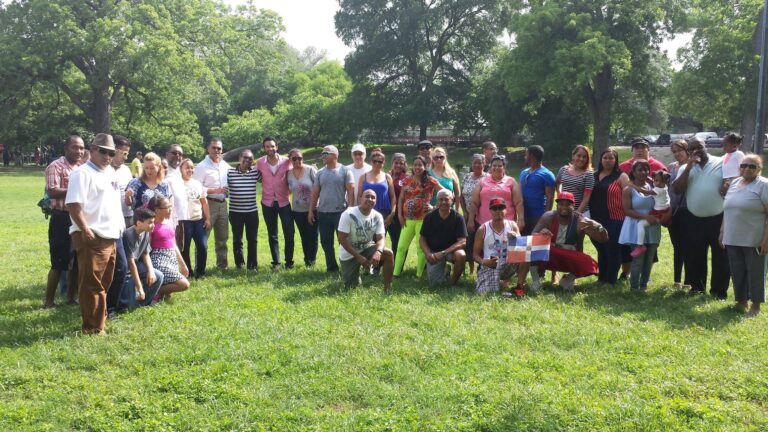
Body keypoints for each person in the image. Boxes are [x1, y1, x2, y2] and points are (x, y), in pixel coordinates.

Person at [65, 133, 123, 335]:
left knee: (104, 282)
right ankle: (92, 328)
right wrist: (85, 229)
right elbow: (73, 204)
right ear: (93, 150)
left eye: (111, 153)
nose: (107, 156)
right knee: (92, 284)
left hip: (111, 235)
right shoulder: (82, 173)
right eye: (103, 152)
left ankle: (99, 321)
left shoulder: (110, 173)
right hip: (92, 235)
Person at [673, 138, 730, 298]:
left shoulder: (721, 162)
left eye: (699, 147)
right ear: (688, 152)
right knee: (695, 255)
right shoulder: (685, 167)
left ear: (706, 146)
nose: (696, 151)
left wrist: (727, 184)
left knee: (721, 256)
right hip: (694, 218)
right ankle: (697, 287)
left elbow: (731, 181)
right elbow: (677, 189)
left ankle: (719, 291)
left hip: (719, 217)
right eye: (691, 149)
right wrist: (689, 166)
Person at [519, 192, 607, 292]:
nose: (564, 207)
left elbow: (603, 239)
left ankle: (567, 279)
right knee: (530, 246)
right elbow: (533, 234)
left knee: (590, 264)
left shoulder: (580, 220)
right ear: (557, 205)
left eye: (567, 204)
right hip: (550, 254)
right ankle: (536, 281)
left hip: (570, 256)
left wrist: (599, 227)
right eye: (561, 204)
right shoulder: (548, 216)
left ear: (573, 205)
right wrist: (541, 234)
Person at [721, 154, 768, 317]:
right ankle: (741, 302)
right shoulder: (734, 182)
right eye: (744, 165)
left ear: (759, 170)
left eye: (752, 166)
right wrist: (722, 232)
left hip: (754, 237)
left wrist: (766, 239)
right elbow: (728, 209)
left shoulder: (764, 185)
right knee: (737, 270)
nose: (747, 169)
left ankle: (755, 306)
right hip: (733, 236)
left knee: (755, 272)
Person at [43, 135, 84, 308]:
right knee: (59, 261)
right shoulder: (56, 166)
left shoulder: (82, 167)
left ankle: (70, 297)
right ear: (66, 148)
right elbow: (52, 191)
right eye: (75, 147)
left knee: (76, 259)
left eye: (81, 148)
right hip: (61, 218)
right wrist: (75, 189)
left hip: (78, 217)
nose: (79, 151)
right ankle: (49, 301)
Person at [394, 155, 443, 277]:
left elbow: (445, 193)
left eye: (420, 165)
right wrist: (400, 215)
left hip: (423, 220)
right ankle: (395, 273)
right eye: (415, 165)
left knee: (420, 248)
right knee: (401, 247)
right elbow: (400, 198)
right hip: (408, 220)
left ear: (425, 166)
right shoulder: (407, 180)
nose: (417, 167)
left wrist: (434, 207)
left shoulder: (430, 181)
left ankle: (419, 275)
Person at [309, 145, 355, 272]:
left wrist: (350, 210)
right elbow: (315, 193)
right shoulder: (320, 173)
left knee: (343, 243)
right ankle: (332, 267)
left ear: (335, 155)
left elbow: (351, 191)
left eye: (326, 153)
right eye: (322, 153)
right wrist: (311, 211)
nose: (323, 156)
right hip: (323, 213)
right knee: (326, 242)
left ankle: (346, 266)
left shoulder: (345, 171)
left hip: (341, 213)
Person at [617, 160, 662, 291]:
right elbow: (627, 210)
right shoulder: (628, 189)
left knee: (649, 260)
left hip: (652, 227)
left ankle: (644, 286)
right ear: (634, 172)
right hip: (635, 227)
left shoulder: (654, 188)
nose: (643, 172)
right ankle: (634, 287)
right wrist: (645, 217)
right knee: (638, 260)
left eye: (646, 169)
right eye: (640, 170)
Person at [337, 189, 394, 290]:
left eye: (373, 197)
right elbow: (342, 238)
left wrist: (379, 251)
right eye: (367, 196)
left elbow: (381, 238)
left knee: (388, 253)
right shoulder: (348, 214)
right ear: (360, 199)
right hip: (349, 253)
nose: (370, 199)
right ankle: (356, 274)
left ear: (376, 202)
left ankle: (388, 288)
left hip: (367, 248)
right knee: (350, 288)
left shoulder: (378, 216)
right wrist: (358, 257)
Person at [590, 148, 632, 284]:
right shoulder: (593, 175)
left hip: (615, 218)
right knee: (601, 248)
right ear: (601, 160)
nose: (608, 161)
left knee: (612, 249)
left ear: (616, 160)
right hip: (596, 218)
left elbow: (629, 196)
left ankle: (611, 280)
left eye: (611, 158)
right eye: (605, 158)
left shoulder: (621, 176)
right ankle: (602, 277)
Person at [253, 137, 294, 270]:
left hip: (284, 202)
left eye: (272, 146)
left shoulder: (287, 162)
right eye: (267, 147)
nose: (270, 149)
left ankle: (289, 262)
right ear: (264, 148)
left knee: (289, 232)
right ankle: (276, 262)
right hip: (267, 203)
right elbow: (252, 172)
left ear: (277, 146)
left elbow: (299, 166)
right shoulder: (259, 162)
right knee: (272, 233)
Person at [105, 136, 133, 317]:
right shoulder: (103, 170)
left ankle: (118, 303)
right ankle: (104, 305)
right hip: (105, 224)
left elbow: (129, 197)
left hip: (125, 220)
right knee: (109, 266)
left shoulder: (126, 171)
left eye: (127, 154)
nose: (124, 157)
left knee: (125, 264)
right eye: (123, 153)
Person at [193, 138, 230, 269]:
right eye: (213, 148)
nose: (216, 150)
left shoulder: (225, 166)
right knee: (203, 239)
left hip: (223, 204)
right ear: (208, 149)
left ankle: (222, 266)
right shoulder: (201, 167)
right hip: (208, 204)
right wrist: (215, 190)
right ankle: (200, 267)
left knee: (222, 238)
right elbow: (195, 188)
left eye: (219, 148)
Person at [473, 198, 521, 295]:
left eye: (501, 208)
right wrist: (483, 262)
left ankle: (520, 287)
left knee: (525, 257)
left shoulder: (512, 225)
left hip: (509, 263)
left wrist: (515, 238)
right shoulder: (482, 229)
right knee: (485, 293)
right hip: (491, 265)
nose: (498, 211)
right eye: (495, 208)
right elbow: (474, 254)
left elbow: (522, 248)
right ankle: (500, 281)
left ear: (506, 210)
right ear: (490, 211)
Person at [467, 155, 525, 234]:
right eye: (494, 165)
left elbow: (518, 202)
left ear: (504, 167)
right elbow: (474, 202)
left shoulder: (511, 181)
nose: (496, 168)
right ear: (490, 167)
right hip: (483, 224)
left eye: (500, 166)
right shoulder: (482, 181)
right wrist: (470, 220)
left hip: (507, 224)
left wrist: (521, 219)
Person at [420, 189, 467, 285]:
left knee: (461, 254)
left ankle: (453, 282)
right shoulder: (429, 217)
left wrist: (444, 253)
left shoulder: (458, 218)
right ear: (437, 201)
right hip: (434, 253)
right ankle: (446, 270)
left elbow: (462, 241)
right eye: (440, 199)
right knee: (435, 284)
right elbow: (422, 238)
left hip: (450, 252)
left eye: (446, 199)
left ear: (452, 200)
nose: (443, 202)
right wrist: (428, 254)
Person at [147, 196, 189, 301]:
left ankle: (158, 294)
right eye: (167, 207)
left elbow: (174, 244)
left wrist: (183, 264)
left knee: (169, 294)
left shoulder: (169, 222)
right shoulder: (151, 226)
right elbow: (146, 248)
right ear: (157, 210)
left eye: (170, 206)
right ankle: (153, 290)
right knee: (184, 284)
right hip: (159, 259)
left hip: (171, 258)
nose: (170, 210)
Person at [122, 207, 164, 308]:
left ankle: (144, 302)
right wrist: (140, 288)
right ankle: (129, 302)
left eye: (153, 222)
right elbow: (131, 263)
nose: (153, 225)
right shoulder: (128, 235)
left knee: (158, 276)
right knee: (128, 306)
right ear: (139, 223)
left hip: (137, 265)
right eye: (150, 222)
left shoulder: (146, 232)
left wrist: (151, 271)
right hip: (126, 270)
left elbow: (145, 254)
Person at [227, 149, 261, 270]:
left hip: (252, 212)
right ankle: (240, 264)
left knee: (252, 239)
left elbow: (268, 180)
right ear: (239, 159)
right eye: (245, 158)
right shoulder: (229, 173)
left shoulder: (255, 173)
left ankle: (252, 265)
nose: (247, 160)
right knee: (237, 240)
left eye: (250, 159)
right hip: (235, 212)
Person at [286, 148, 319, 267]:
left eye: (300, 158)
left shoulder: (310, 170)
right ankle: (307, 260)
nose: (297, 160)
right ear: (290, 160)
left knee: (313, 235)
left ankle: (312, 261)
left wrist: (311, 210)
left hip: (312, 209)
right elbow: (289, 190)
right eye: (294, 158)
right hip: (297, 211)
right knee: (304, 236)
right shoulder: (288, 174)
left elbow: (317, 189)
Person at [179, 158, 210, 277]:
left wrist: (207, 218)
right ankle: (188, 273)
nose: (190, 170)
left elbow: (204, 202)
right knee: (184, 249)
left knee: (203, 247)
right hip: (184, 221)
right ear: (181, 169)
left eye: (192, 167)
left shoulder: (197, 184)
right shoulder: (177, 184)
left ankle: (201, 272)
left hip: (198, 221)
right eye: (187, 167)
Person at [629, 170, 671, 258]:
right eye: (654, 180)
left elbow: (645, 192)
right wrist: (650, 179)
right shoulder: (665, 186)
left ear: (664, 181)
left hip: (658, 213)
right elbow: (657, 181)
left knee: (640, 224)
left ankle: (640, 246)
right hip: (663, 210)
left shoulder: (658, 190)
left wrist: (632, 185)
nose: (655, 183)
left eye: (657, 181)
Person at [358, 148, 397, 241]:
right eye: (375, 161)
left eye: (380, 161)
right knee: (368, 240)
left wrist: (392, 213)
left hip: (384, 213)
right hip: (367, 212)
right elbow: (359, 196)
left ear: (383, 163)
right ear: (371, 161)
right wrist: (362, 212)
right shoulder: (363, 177)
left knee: (380, 240)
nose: (377, 163)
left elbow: (393, 197)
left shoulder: (387, 177)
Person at [666, 140, 691, 290]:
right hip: (673, 212)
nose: (677, 154)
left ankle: (688, 281)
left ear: (687, 150)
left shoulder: (692, 166)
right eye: (674, 151)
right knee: (677, 247)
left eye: (679, 150)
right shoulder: (670, 167)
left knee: (688, 247)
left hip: (688, 211)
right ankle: (676, 280)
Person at [519, 145, 555, 235]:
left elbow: (550, 198)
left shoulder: (547, 174)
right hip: (524, 215)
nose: (525, 157)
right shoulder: (524, 173)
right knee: (523, 242)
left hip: (538, 216)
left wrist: (546, 218)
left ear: (531, 156)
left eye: (526, 154)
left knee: (537, 243)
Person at [461, 154, 487, 273]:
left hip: (482, 216)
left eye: (479, 163)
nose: (477, 165)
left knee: (481, 242)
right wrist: (465, 211)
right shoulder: (467, 177)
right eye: (475, 163)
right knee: (468, 241)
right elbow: (461, 195)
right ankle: (470, 268)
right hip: (467, 215)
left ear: (484, 164)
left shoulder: (487, 178)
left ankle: (482, 267)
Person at [556, 145, 594, 216]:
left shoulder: (588, 174)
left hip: (581, 212)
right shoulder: (563, 169)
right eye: (578, 156)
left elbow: (587, 197)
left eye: (584, 157)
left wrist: (578, 212)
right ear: (573, 156)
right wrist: (560, 195)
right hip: (564, 210)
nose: (581, 159)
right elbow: (557, 183)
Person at [388, 152, 408, 262]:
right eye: (396, 163)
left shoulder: (406, 178)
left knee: (399, 241)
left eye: (401, 163)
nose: (398, 165)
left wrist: (401, 214)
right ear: (392, 163)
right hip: (387, 213)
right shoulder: (387, 175)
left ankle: (397, 265)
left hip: (400, 215)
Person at [164, 144, 189, 232]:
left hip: (183, 217)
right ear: (167, 155)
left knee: (184, 245)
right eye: (174, 153)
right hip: (170, 219)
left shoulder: (179, 170)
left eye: (180, 154)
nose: (177, 156)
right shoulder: (163, 171)